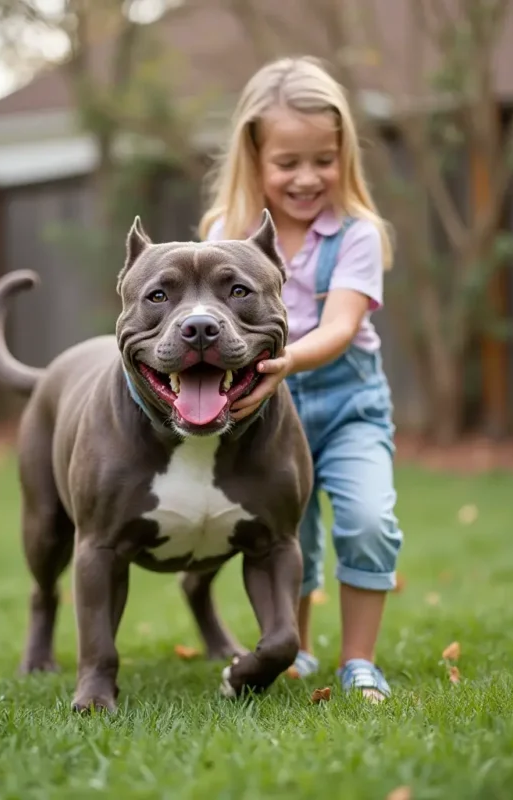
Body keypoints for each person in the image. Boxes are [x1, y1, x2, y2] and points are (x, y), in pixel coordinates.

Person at [198, 56, 403, 702]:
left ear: (345, 154)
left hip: (347, 403)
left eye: (324, 158)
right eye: (288, 162)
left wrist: (284, 363)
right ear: (253, 158)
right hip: (262, 412)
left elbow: (340, 327)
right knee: (290, 537)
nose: (308, 177)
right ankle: (300, 651)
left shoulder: (358, 235)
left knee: (368, 520)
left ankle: (359, 661)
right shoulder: (223, 236)